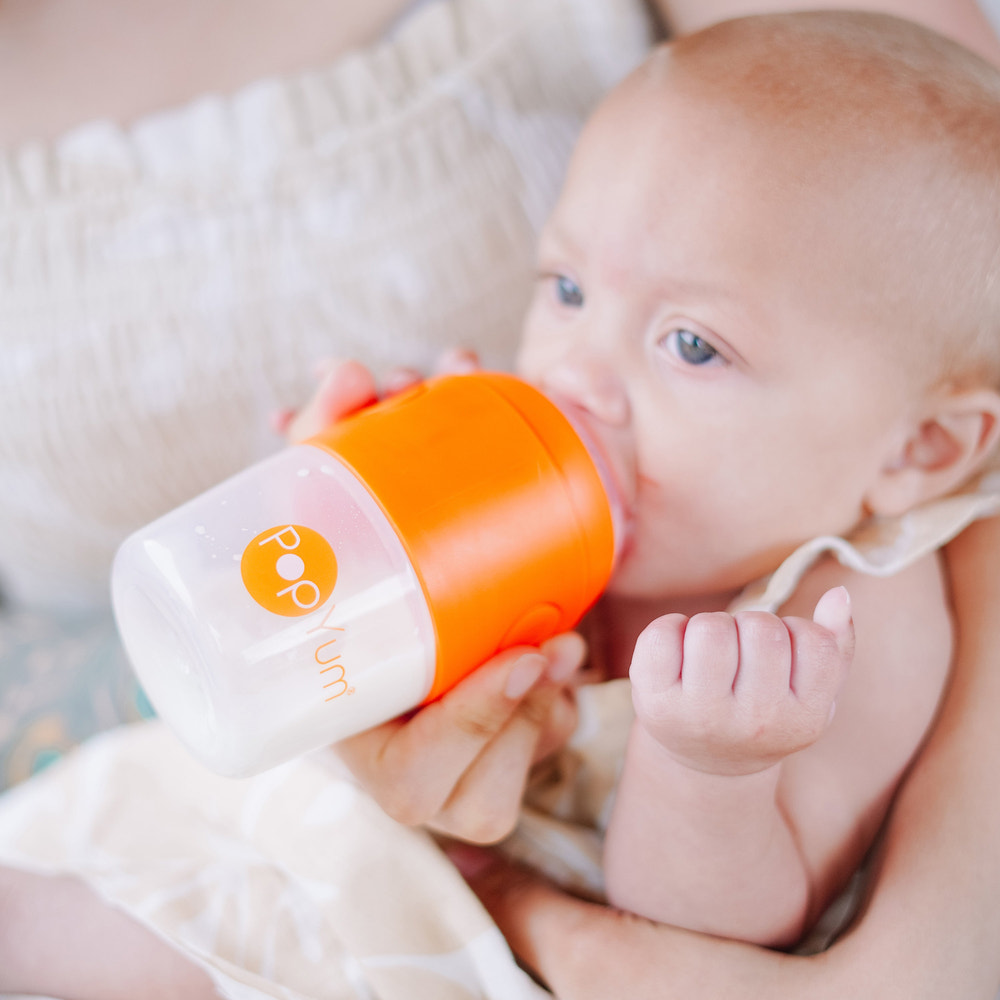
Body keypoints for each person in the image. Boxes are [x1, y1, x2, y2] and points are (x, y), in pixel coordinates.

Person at [1, 4, 1000, 1000]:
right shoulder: (591, 508)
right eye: (566, 289)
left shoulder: (849, 610)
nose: (575, 374)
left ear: (921, 448)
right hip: (333, 836)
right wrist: (366, 512)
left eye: (693, 344)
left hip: (472, 945)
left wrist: (710, 772)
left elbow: (708, 947)